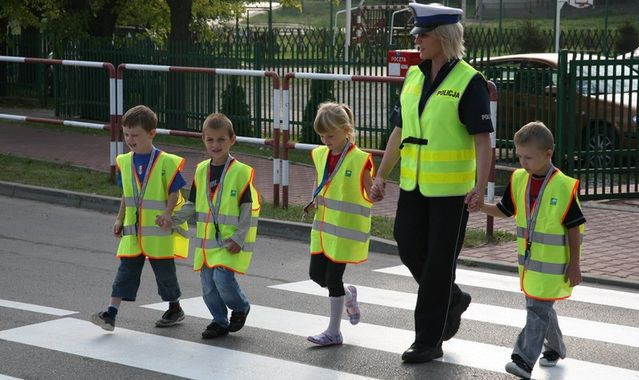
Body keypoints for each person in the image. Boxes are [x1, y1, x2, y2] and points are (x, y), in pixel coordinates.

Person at [369, 2, 493, 363]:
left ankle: (428, 340)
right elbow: (399, 130)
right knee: (407, 247)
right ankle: (452, 298)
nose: (417, 41)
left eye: (423, 35)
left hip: (453, 194)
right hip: (414, 187)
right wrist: (381, 175)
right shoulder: (414, 76)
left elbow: (483, 141)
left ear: (442, 37)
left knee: (438, 265)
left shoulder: (469, 81)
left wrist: (480, 188)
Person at [475, 121, 585, 379]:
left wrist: (575, 264)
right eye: (519, 156)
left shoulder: (563, 186)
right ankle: (556, 348)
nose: (522, 162)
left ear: (549, 154)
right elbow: (504, 211)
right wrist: (479, 206)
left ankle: (522, 360)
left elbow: (574, 229)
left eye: (529, 157)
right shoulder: (519, 179)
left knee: (537, 310)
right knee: (541, 309)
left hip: (555, 266)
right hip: (529, 265)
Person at [90, 105, 189, 331]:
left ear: (152, 133)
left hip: (158, 232)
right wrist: (119, 218)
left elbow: (176, 191)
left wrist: (167, 213)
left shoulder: (166, 162)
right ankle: (110, 314)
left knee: (165, 275)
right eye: (126, 134)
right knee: (125, 272)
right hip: (133, 231)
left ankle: (175, 308)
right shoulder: (125, 162)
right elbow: (127, 193)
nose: (130, 140)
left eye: (135, 135)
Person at [163, 113, 260, 339]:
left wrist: (239, 237)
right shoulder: (201, 170)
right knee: (207, 287)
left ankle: (241, 307)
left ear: (232, 139)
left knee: (222, 280)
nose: (215, 145)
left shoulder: (241, 172)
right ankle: (219, 321)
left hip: (229, 242)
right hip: (207, 244)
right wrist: (173, 218)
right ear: (203, 140)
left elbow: (249, 209)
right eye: (210, 140)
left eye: (221, 140)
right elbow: (193, 204)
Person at [304, 102, 375, 346]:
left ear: (346, 130)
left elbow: (369, 191)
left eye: (330, 135)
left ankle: (334, 332)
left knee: (333, 279)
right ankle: (348, 294)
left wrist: (376, 191)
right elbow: (322, 182)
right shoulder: (321, 154)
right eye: (322, 135)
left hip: (345, 233)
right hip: (323, 229)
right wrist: (313, 200)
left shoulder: (359, 159)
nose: (326, 140)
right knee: (315, 275)